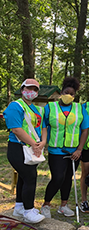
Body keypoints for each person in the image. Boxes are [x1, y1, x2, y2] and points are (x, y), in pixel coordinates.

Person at [40, 77, 89, 218]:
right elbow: (43, 126)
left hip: (74, 151)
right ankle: (46, 205)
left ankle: (63, 205)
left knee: (68, 178)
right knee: (57, 177)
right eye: (67, 92)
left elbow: (85, 129)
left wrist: (79, 149)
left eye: (72, 94)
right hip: (56, 150)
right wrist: (42, 142)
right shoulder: (50, 107)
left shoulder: (79, 109)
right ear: (61, 93)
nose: (69, 96)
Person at [4, 79, 45, 224]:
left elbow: (43, 126)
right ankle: (29, 211)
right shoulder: (15, 106)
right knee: (30, 177)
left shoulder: (37, 109)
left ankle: (19, 207)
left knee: (23, 177)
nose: (31, 91)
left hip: (33, 148)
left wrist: (42, 143)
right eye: (28, 88)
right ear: (22, 90)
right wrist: (35, 144)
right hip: (18, 147)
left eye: (35, 89)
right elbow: (16, 129)